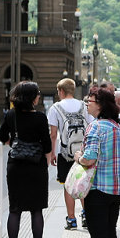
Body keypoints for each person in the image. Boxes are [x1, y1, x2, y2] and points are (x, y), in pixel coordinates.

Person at [73, 87, 120, 238]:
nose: (87, 103)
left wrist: (78, 156)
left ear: (100, 104)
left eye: (90, 100)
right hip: (117, 189)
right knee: (110, 234)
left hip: (98, 190)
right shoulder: (116, 126)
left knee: (99, 237)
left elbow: (90, 158)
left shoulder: (95, 127)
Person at [0, 82, 51, 238]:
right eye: (37, 94)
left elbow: (2, 136)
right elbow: (47, 146)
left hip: (15, 167)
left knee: (15, 209)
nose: (39, 96)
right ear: (31, 97)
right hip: (36, 167)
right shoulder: (40, 118)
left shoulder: (11, 115)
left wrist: (15, 145)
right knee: (36, 210)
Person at [47, 78, 92, 230]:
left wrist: (53, 153)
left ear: (61, 91)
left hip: (65, 153)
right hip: (83, 152)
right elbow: (90, 126)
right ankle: (86, 215)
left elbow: (53, 134)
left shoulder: (55, 108)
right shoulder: (83, 106)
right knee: (84, 183)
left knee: (68, 186)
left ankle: (71, 219)